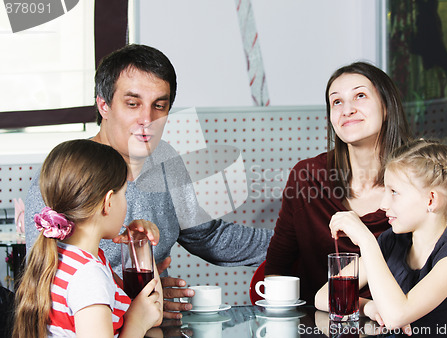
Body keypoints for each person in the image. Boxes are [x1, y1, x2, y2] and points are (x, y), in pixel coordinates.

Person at [24, 44, 273, 318]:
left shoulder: (166, 160)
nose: (147, 119)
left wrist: (299, 239)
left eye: (159, 106)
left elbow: (208, 236)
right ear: (103, 105)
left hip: (154, 325)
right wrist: (134, 304)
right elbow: (45, 281)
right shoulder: (64, 173)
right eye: (133, 104)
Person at [265, 61, 413, 304]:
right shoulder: (307, 177)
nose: (347, 110)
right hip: (316, 325)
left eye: (360, 96)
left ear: (387, 107)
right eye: (337, 102)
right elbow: (276, 268)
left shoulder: (419, 181)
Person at [316, 139, 447, 337]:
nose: (383, 204)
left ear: (431, 200)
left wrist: (366, 240)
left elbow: (396, 316)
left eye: (394, 192)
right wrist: (370, 307)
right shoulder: (393, 241)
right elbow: (324, 296)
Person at [13, 139, 163, 338]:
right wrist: (135, 325)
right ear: (108, 202)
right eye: (124, 194)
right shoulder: (88, 277)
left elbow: (151, 312)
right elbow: (142, 318)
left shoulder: (68, 257)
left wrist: (139, 245)